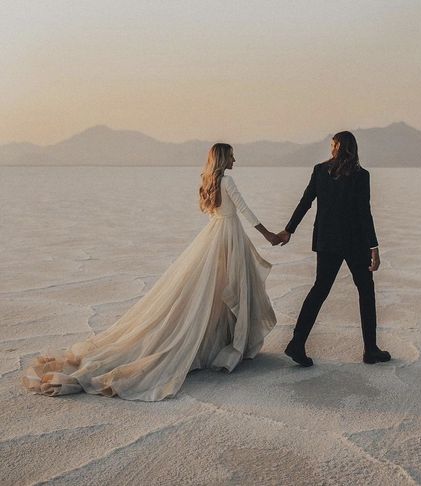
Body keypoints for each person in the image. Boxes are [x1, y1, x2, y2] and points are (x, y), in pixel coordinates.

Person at [22, 143, 278, 401]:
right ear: (223, 158)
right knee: (229, 288)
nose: (235, 158)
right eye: (232, 154)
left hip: (214, 237)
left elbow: (213, 212)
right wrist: (268, 235)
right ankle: (225, 346)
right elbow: (243, 209)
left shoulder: (209, 181)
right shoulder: (228, 180)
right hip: (229, 237)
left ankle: (221, 343)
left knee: (214, 291)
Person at [278, 131, 391, 367]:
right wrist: (374, 246)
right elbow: (364, 213)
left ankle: (297, 343)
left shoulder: (321, 170)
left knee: (320, 289)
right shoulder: (361, 176)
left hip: (327, 242)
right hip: (355, 242)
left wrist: (289, 229)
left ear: (336, 147)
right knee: (366, 292)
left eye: (332, 145)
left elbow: (305, 201)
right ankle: (370, 350)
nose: (331, 149)